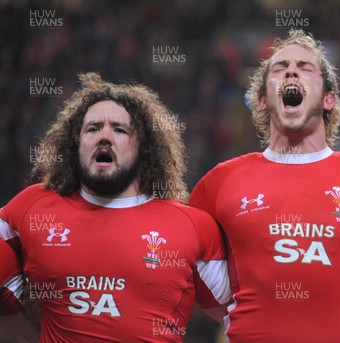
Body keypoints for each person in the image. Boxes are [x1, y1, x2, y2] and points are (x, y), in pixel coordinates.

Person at [189, 29, 340, 342]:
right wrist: (241, 316)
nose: (291, 70)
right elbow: (190, 258)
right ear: (263, 100)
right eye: (279, 68)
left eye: (305, 67)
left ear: (328, 99)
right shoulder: (217, 183)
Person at [0, 72, 231, 342]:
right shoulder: (34, 207)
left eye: (119, 130)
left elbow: (242, 313)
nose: (105, 137)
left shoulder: (191, 226)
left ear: (143, 148)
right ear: (76, 145)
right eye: (93, 128)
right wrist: (17, 308)